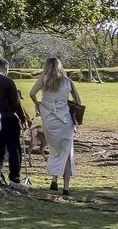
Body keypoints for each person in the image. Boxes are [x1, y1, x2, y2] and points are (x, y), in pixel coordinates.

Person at [28, 55, 85, 193]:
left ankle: (54, 179)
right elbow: (78, 101)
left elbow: (32, 93)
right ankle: (66, 186)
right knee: (66, 151)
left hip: (48, 119)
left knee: (54, 149)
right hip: (64, 120)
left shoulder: (44, 79)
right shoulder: (67, 81)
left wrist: (39, 105)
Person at [0, 57, 30, 186]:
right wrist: (23, 118)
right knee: (14, 149)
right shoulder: (8, 82)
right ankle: (14, 178)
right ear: (6, 69)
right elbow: (16, 102)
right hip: (8, 118)